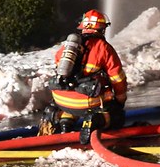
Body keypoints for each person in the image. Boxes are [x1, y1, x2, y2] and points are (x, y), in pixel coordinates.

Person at [41, 9, 127, 144]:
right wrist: (120, 99)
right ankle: (95, 120)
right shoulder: (103, 48)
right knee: (117, 115)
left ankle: (65, 123)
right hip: (87, 103)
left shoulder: (67, 47)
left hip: (61, 100)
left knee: (71, 103)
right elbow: (117, 78)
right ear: (101, 29)